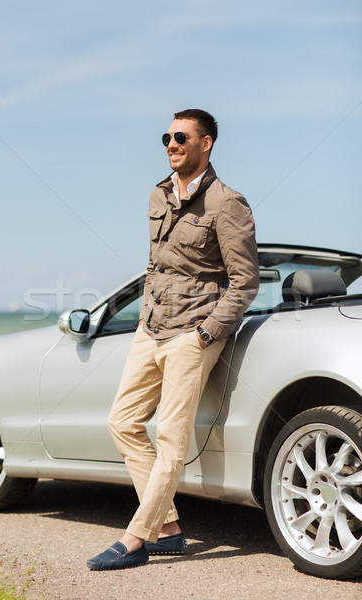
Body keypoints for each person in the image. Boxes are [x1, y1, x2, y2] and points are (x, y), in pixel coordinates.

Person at [87, 109, 259, 571]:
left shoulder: (228, 203)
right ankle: (169, 528)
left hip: (194, 331)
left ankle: (136, 538)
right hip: (152, 327)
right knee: (122, 422)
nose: (171, 143)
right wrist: (144, 319)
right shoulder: (158, 194)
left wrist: (206, 333)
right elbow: (155, 265)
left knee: (170, 437)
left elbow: (245, 281)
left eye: (181, 136)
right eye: (166, 136)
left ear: (206, 144)